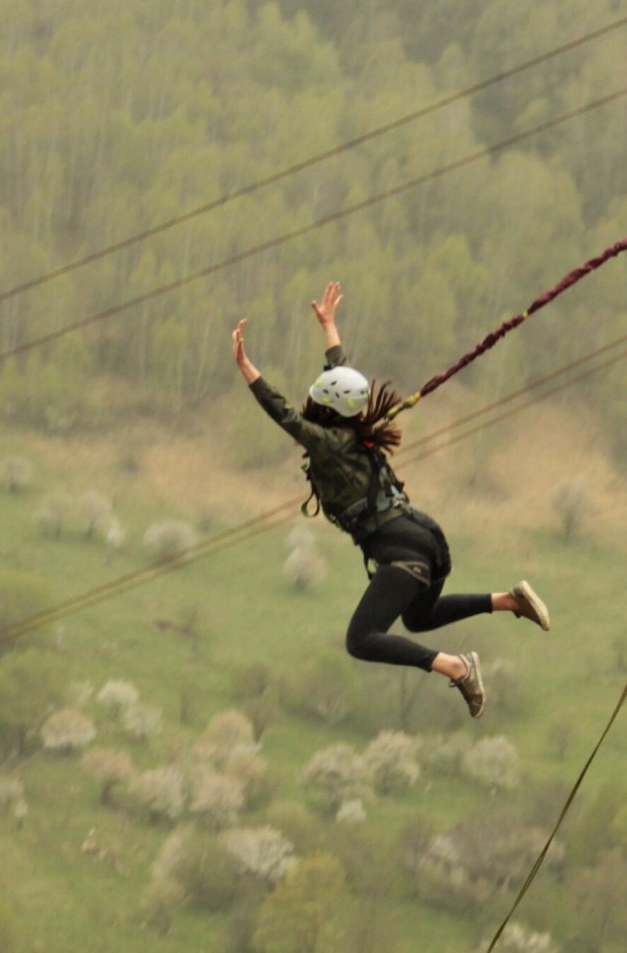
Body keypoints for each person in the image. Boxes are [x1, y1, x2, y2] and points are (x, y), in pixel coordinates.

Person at [232, 282, 550, 718]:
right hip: (428, 538)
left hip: (403, 552)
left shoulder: (328, 443)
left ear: (322, 407)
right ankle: (509, 600)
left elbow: (284, 415)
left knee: (361, 640)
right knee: (418, 618)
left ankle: (456, 666)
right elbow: (343, 375)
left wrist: (247, 368)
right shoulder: (358, 428)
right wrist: (330, 329)